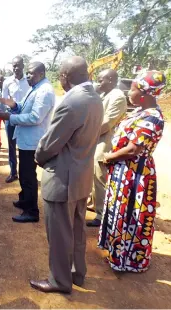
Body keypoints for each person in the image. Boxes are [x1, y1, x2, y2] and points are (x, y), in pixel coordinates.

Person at [30, 56, 104, 294]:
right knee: (77, 231)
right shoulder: (95, 99)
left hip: (63, 180)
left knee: (60, 235)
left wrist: (38, 157)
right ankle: (76, 274)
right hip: (81, 179)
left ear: (65, 77)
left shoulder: (73, 102)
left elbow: (50, 144)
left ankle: (59, 281)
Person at [98, 71, 166, 272]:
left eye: (134, 89)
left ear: (144, 95)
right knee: (120, 213)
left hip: (135, 176)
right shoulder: (140, 112)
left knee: (131, 216)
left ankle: (127, 260)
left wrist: (108, 157)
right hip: (124, 173)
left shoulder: (153, 118)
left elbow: (133, 149)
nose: (129, 92)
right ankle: (116, 251)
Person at [0, 62, 55, 223]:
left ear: (41, 73)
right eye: (27, 73)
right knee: (24, 173)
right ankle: (24, 200)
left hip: (33, 141)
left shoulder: (44, 91)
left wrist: (11, 117)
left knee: (29, 176)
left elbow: (35, 117)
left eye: (30, 73)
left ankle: (32, 211)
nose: (27, 76)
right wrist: (13, 105)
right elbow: (25, 108)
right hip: (26, 140)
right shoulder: (35, 87)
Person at [86, 69, 127, 227]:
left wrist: (86, 132)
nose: (98, 82)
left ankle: (101, 215)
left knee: (100, 177)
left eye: (101, 79)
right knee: (92, 175)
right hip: (96, 139)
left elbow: (106, 123)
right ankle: (93, 204)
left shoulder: (117, 96)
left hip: (105, 142)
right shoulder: (105, 94)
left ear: (110, 79)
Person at [2, 56, 30, 183]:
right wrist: (5, 117)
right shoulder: (7, 82)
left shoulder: (29, 81)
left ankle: (27, 173)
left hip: (26, 118)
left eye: (18, 65)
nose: (16, 68)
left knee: (26, 145)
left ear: (23, 65)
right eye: (14, 65)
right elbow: (4, 100)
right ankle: (13, 173)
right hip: (11, 117)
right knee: (12, 147)